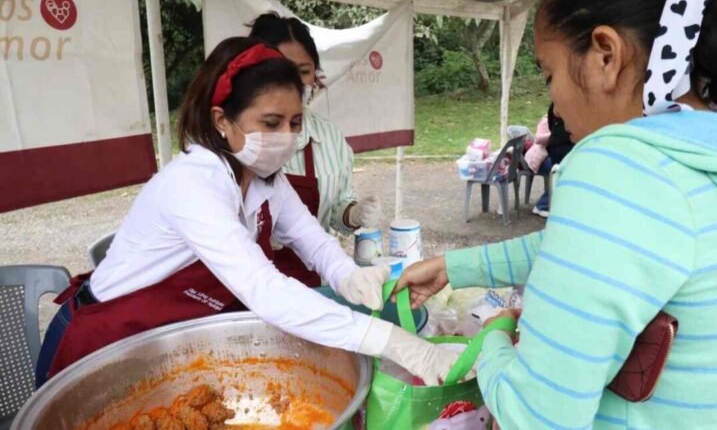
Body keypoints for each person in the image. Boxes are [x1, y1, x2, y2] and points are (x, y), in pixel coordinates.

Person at [398, 0, 717, 428]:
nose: (554, 108)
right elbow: (579, 247)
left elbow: (536, 414)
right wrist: (454, 266)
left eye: (550, 75)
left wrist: (494, 339)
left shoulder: (620, 165)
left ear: (605, 55)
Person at [35, 38, 458, 388]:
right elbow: (264, 289)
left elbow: (312, 240)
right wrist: (393, 342)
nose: (287, 137)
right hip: (103, 342)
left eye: (295, 123)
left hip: (166, 343)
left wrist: (347, 275)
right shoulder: (192, 184)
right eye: (271, 123)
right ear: (222, 120)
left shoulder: (263, 177)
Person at [248, 13, 381, 287]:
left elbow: (313, 235)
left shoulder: (329, 138)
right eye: (281, 69)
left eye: (303, 71)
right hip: (246, 285)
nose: (293, 82)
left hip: (307, 283)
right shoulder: (239, 145)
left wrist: (353, 215)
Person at [525, 103, 575, 217]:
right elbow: (540, 136)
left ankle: (555, 204)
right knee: (563, 176)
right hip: (556, 148)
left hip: (559, 146)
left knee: (564, 175)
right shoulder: (559, 107)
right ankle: (542, 205)